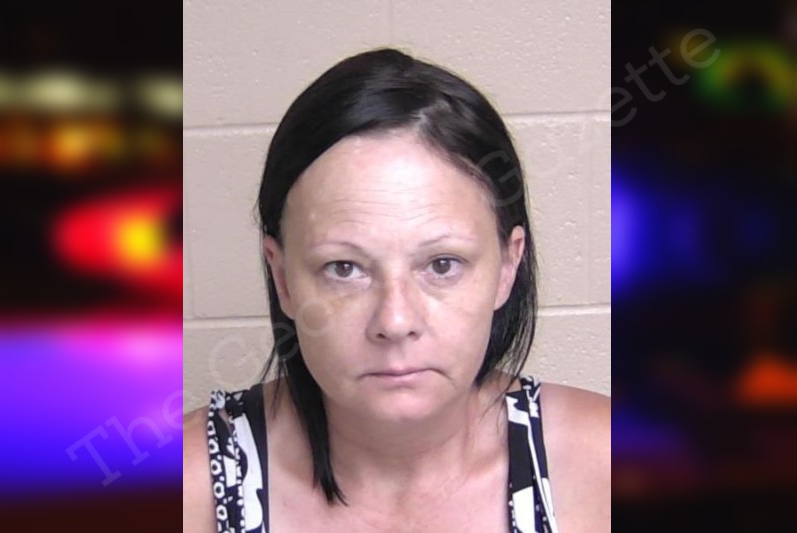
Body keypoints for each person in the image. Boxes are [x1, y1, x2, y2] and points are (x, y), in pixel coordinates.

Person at [183, 48, 610, 533]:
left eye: (442, 265)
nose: (395, 321)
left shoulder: (610, 464)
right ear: (282, 278)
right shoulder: (178, 487)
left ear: (507, 267)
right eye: (344, 268)